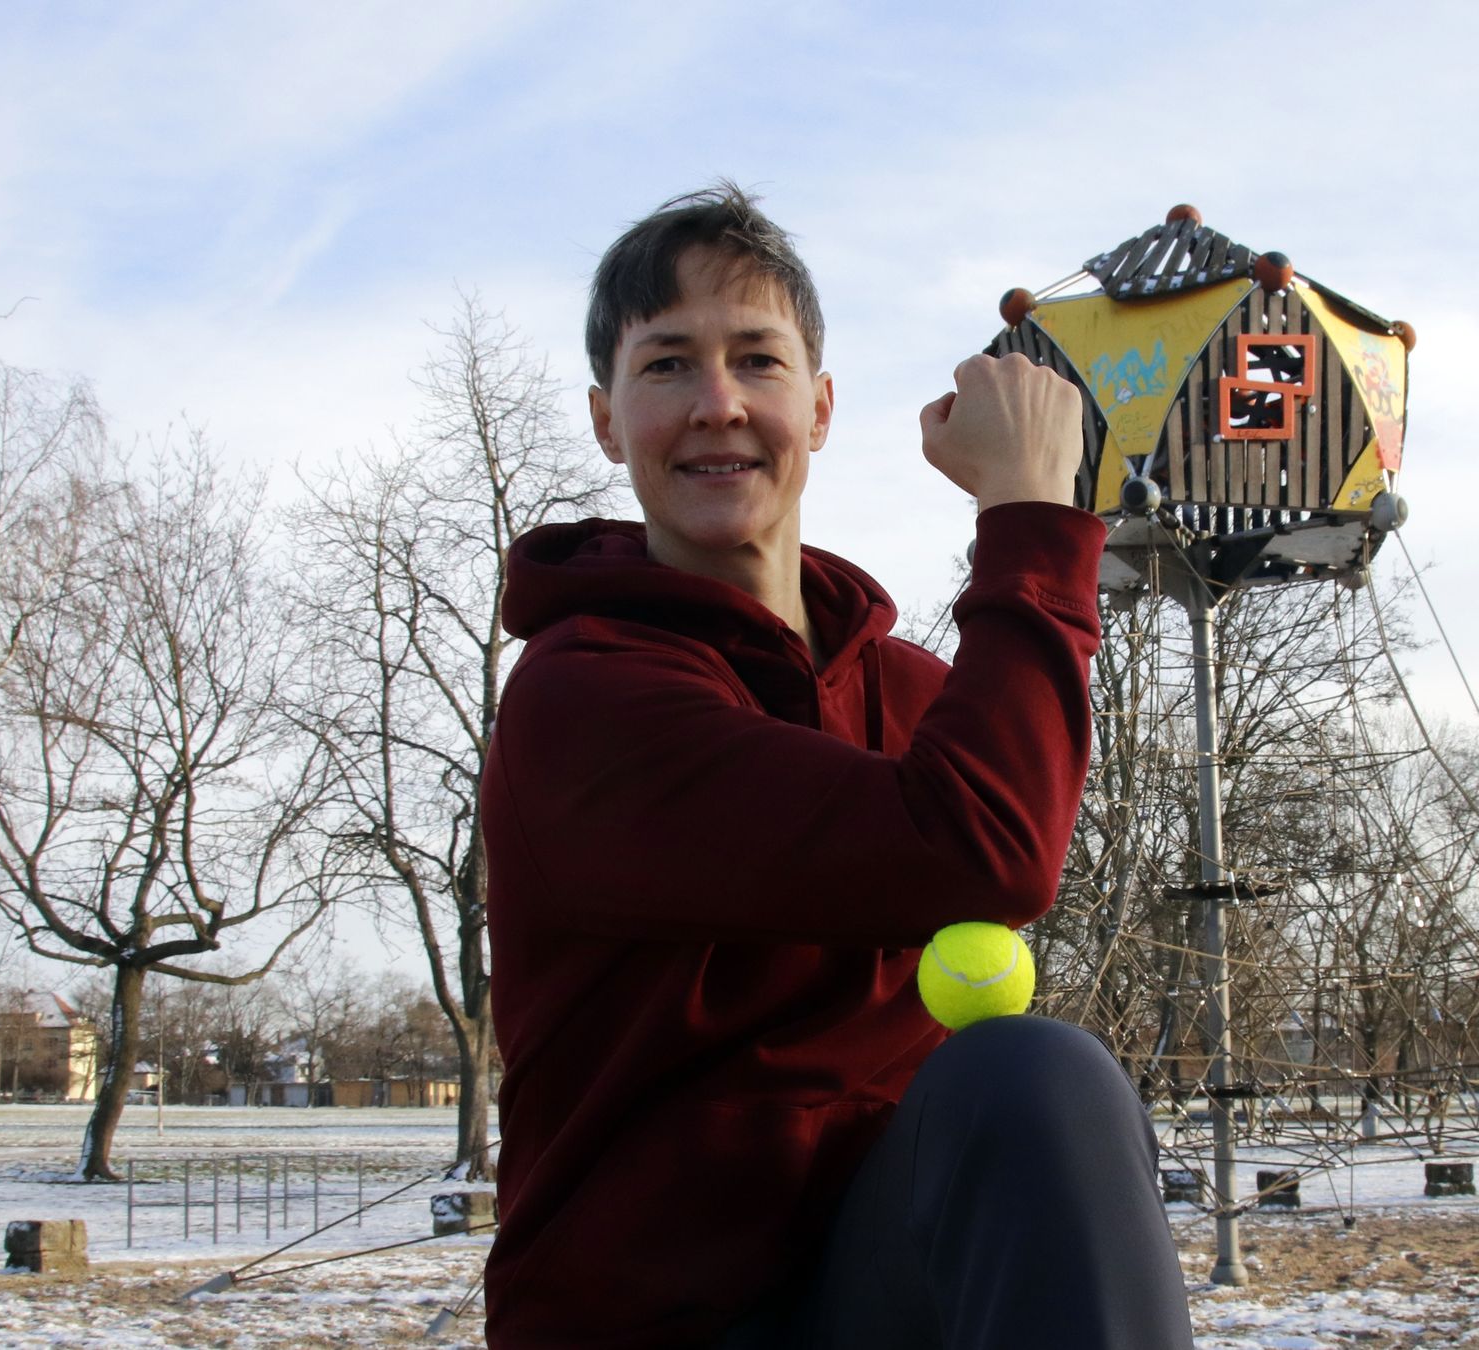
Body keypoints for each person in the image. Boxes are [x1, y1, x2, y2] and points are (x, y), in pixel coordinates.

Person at [480, 185, 1195, 1350]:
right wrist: (1026, 512)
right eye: (666, 366)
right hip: (655, 1324)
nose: (718, 405)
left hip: (882, 1290)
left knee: (1034, 1081)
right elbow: (986, 847)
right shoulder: (585, 696)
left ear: (817, 407)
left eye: (756, 360)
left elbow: (995, 830)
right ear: (608, 421)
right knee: (1032, 1073)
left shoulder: (913, 695)